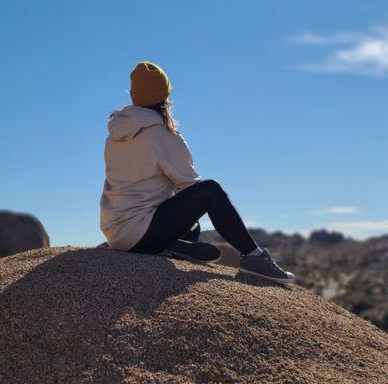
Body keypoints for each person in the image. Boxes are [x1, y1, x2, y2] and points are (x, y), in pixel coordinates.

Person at [100, 61, 295, 283]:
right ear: (165, 95)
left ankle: (171, 245)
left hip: (115, 230)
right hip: (139, 235)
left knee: (192, 222)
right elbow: (190, 186)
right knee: (209, 191)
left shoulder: (115, 135)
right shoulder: (163, 135)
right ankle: (254, 257)